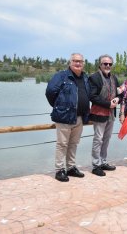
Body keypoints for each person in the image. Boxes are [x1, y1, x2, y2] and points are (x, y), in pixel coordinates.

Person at [46, 53, 90, 182]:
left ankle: (70, 168)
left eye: (80, 61)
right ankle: (59, 170)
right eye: (75, 61)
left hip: (80, 117)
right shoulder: (61, 76)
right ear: (70, 62)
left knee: (73, 144)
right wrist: (60, 106)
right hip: (64, 116)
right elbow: (50, 92)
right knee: (62, 144)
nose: (78, 63)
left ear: (83, 63)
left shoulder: (85, 77)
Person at [89, 54, 120, 177]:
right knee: (98, 139)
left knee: (106, 139)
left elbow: (119, 92)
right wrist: (108, 104)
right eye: (105, 64)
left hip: (111, 114)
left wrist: (118, 99)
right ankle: (96, 165)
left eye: (109, 64)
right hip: (99, 114)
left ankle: (103, 162)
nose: (107, 66)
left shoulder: (114, 77)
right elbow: (92, 96)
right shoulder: (94, 78)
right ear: (100, 65)